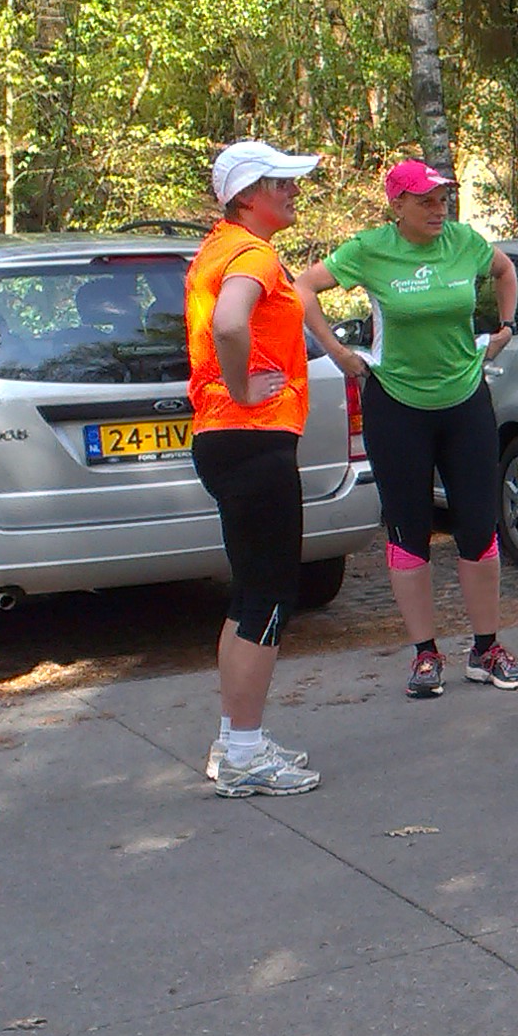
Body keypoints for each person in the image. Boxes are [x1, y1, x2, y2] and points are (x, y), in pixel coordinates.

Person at [294, 159, 518, 696]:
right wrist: (335, 351)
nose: (437, 208)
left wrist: (506, 327)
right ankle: (425, 655)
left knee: (478, 526)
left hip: (465, 398)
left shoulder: (464, 241)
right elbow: (303, 288)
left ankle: (486, 647)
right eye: (424, 200)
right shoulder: (370, 249)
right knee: (409, 530)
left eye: (442, 197)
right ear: (396, 204)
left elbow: (505, 271)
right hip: (396, 403)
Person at [188, 138, 324, 798]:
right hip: (252, 435)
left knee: (248, 595)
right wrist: (242, 387)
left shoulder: (219, 246)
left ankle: (236, 737)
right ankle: (243, 752)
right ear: (246, 197)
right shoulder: (250, 252)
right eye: (280, 183)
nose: (292, 191)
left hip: (227, 439)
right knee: (269, 597)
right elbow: (231, 322)